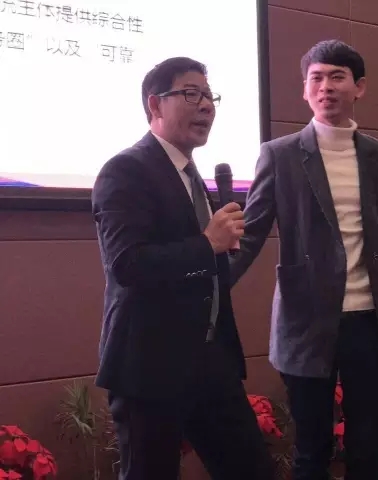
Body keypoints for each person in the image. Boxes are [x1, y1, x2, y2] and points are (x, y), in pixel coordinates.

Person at [91, 56, 275, 480]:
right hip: (151, 368)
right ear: (155, 104)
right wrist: (206, 244)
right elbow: (127, 264)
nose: (206, 105)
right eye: (191, 94)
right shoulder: (126, 170)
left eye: (209, 96)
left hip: (211, 362)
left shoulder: (191, 176)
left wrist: (216, 251)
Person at [230, 40, 378, 480]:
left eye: (337, 77)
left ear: (359, 87)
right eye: (316, 78)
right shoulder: (280, 155)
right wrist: (211, 286)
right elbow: (251, 234)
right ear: (305, 90)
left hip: (369, 320)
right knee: (311, 448)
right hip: (306, 322)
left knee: (367, 446)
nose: (326, 87)